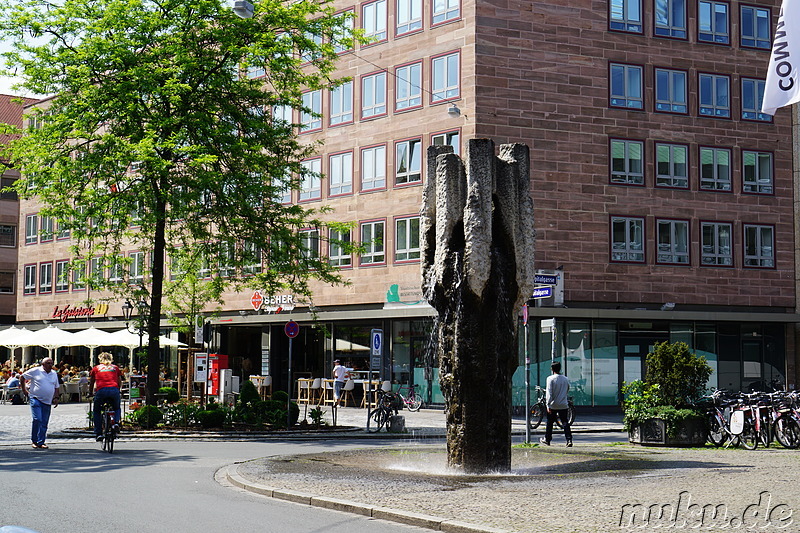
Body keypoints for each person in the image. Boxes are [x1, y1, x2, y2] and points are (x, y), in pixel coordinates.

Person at [20, 357, 60, 449]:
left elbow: (56, 387)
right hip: (35, 398)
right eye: (48, 363)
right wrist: (24, 390)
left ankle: (41, 441)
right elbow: (22, 377)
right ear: (43, 364)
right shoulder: (35, 371)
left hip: (47, 401)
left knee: (44, 422)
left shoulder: (54, 374)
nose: (50, 365)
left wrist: (56, 397)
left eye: (51, 363)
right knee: (37, 419)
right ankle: (34, 440)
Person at [89, 352, 123, 441]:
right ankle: (115, 423)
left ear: (100, 359)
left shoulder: (96, 368)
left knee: (97, 411)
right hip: (114, 389)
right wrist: (118, 390)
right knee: (116, 408)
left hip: (101, 390)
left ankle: (98, 433)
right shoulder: (115, 368)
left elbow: (92, 382)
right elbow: (119, 381)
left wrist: (90, 392)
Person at [539, 361, 572, 447]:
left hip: (553, 404)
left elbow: (549, 393)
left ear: (552, 369)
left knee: (550, 422)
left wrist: (548, 404)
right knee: (565, 422)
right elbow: (568, 389)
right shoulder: (565, 379)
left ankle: (547, 439)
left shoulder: (550, 379)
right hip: (563, 404)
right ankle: (569, 440)